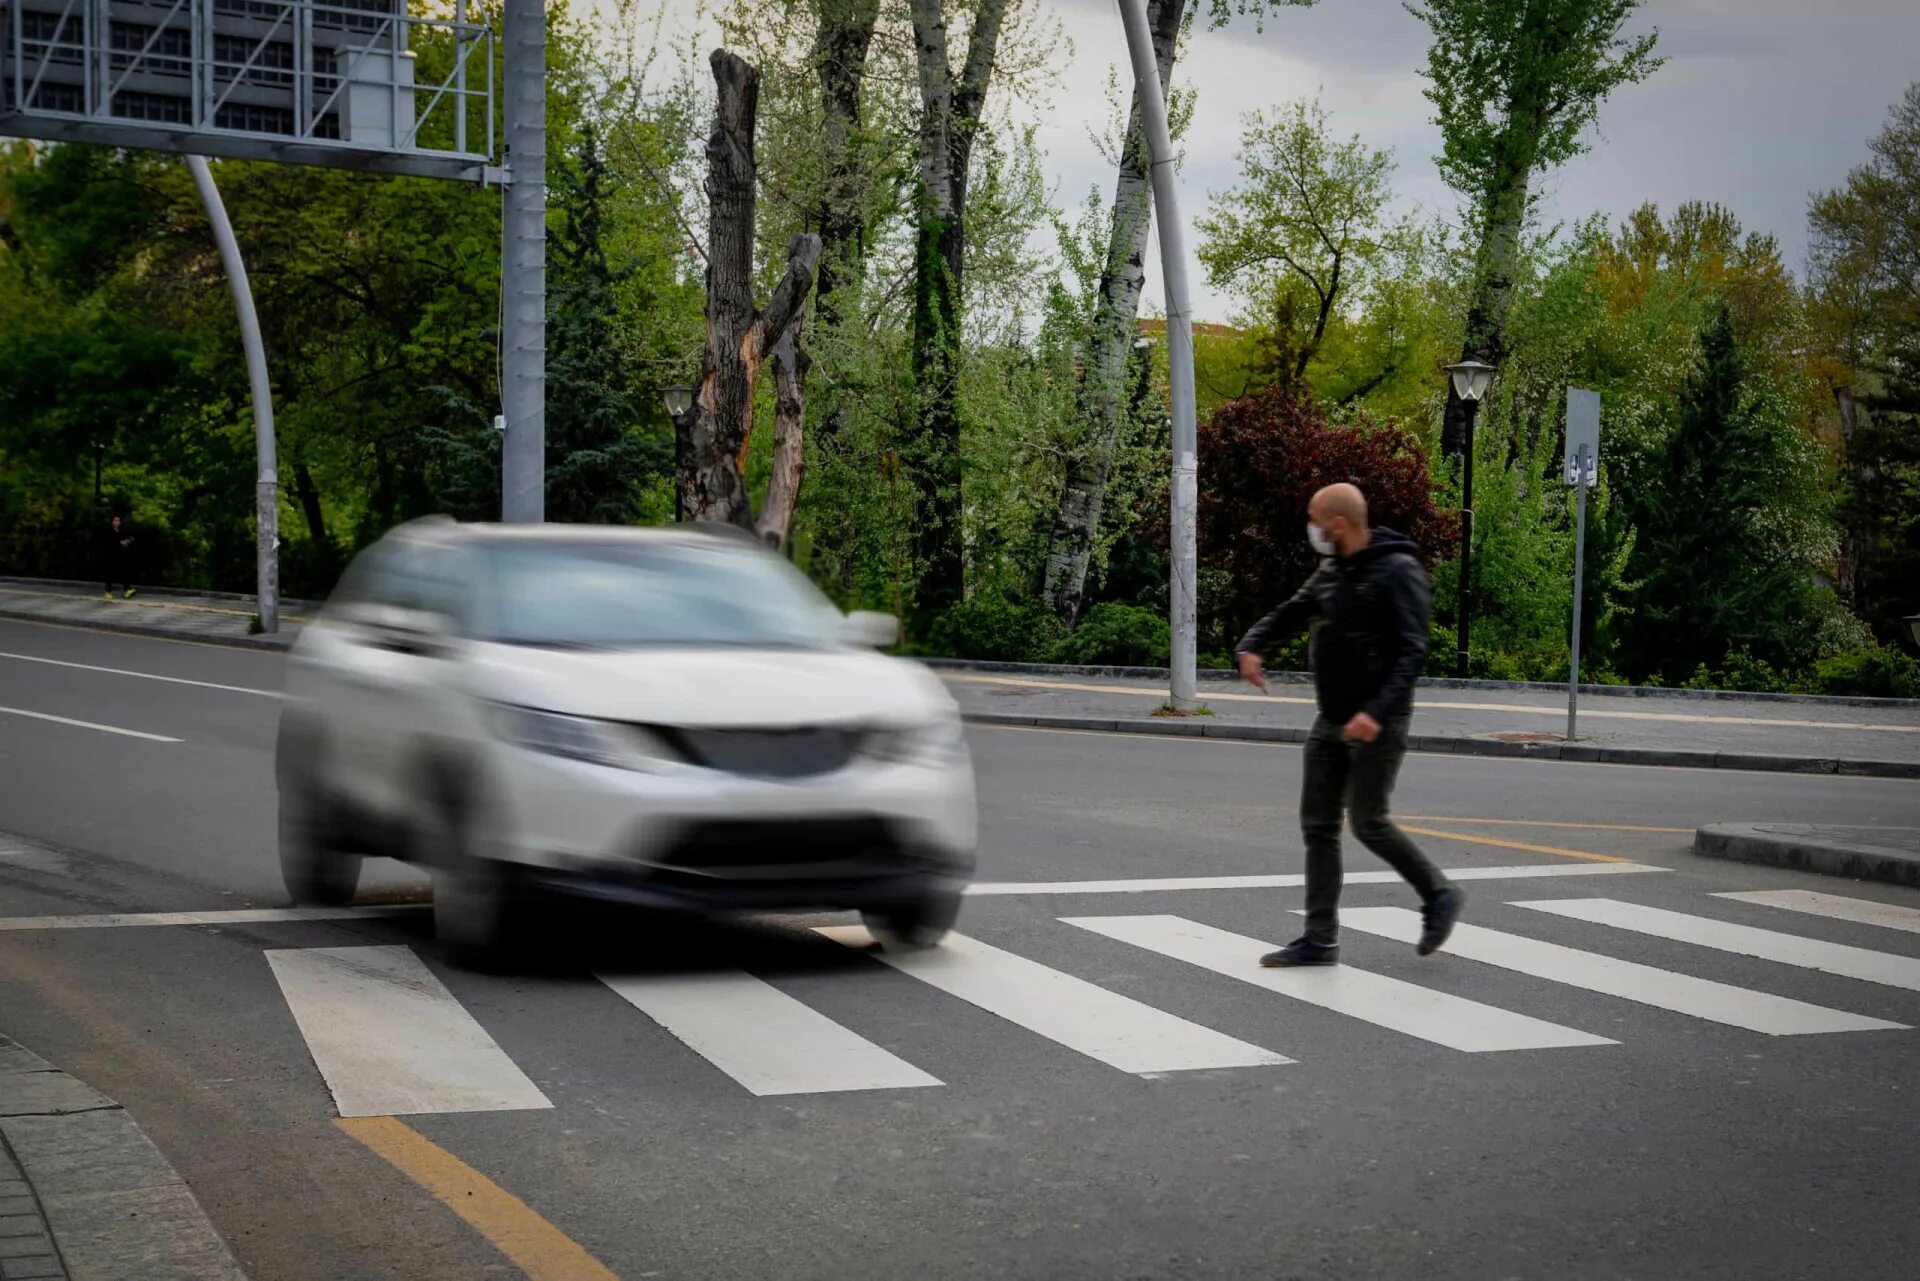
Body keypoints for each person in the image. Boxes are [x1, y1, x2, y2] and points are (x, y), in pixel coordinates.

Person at [1234, 482, 1463, 967]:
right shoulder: (1332, 570)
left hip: (1378, 721)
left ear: (1338, 523)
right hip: (1332, 718)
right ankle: (1320, 939)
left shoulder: (1398, 570)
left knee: (1368, 822)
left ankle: (1438, 894)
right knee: (1318, 826)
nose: (1311, 528)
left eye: (1315, 519)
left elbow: (1412, 651)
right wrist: (1252, 646)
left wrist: (1375, 714)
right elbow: (1291, 612)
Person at [101, 513, 136, 600]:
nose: (117, 522)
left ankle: (127, 590)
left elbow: (131, 538)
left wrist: (127, 541)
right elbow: (108, 543)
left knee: (124, 572)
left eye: (118, 521)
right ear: (112, 522)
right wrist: (119, 543)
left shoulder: (122, 530)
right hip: (110, 555)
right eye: (115, 520)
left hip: (121, 555)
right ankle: (108, 592)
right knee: (109, 574)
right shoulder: (108, 531)